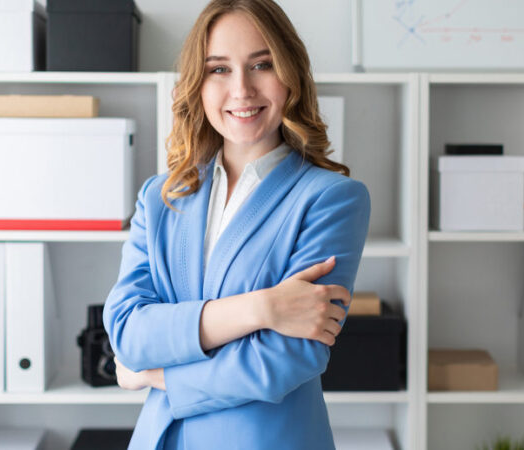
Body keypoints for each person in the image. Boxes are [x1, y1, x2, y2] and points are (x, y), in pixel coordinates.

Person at [103, 0, 370, 448]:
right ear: (198, 84)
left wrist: (156, 374)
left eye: (261, 64)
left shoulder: (331, 199)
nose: (242, 89)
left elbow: (285, 359)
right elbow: (128, 332)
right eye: (219, 69)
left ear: (291, 75)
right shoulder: (160, 196)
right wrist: (263, 308)